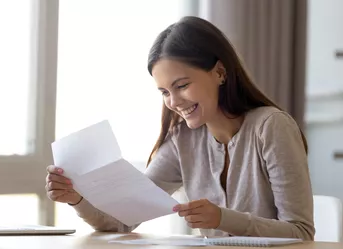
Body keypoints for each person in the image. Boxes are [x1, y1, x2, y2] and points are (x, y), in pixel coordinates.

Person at [45, 16, 315, 240]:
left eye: (182, 85)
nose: (173, 102)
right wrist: (76, 198)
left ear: (220, 73)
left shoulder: (271, 127)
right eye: (164, 91)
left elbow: (300, 233)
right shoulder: (182, 140)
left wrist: (224, 219)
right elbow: (123, 221)